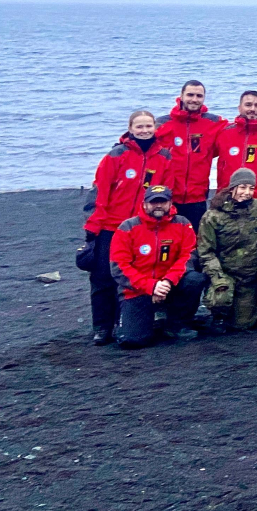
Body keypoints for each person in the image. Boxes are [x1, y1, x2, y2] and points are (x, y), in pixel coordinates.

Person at [84, 110, 173, 345]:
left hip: (141, 226)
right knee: (103, 277)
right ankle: (102, 326)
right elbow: (101, 192)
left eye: (148, 126)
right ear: (130, 129)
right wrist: (94, 226)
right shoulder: (116, 155)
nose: (144, 130)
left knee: (133, 274)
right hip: (111, 226)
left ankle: (128, 320)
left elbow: (166, 193)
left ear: (155, 128)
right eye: (139, 127)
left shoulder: (164, 157)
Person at [109, 185, 207, 348]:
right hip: (138, 289)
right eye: (154, 202)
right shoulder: (127, 228)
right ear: (145, 204)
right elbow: (119, 267)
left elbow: (188, 256)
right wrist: (151, 286)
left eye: (163, 202)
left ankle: (176, 324)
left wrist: (167, 281)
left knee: (195, 279)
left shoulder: (183, 224)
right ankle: (148, 317)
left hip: (170, 286)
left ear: (170, 203)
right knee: (132, 341)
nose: (159, 206)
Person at [196, 168, 257, 332]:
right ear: (232, 188)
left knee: (243, 324)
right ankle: (218, 315)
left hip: (250, 275)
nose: (247, 193)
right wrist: (218, 278)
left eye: (251, 188)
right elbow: (206, 252)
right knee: (221, 297)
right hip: (226, 273)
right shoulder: (213, 216)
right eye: (243, 187)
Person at [155, 80, 227, 230]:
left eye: (199, 96)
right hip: (168, 197)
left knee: (194, 239)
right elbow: (139, 137)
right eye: (190, 95)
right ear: (181, 96)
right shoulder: (162, 123)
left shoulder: (213, 122)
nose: (194, 99)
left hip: (198, 197)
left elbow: (239, 131)